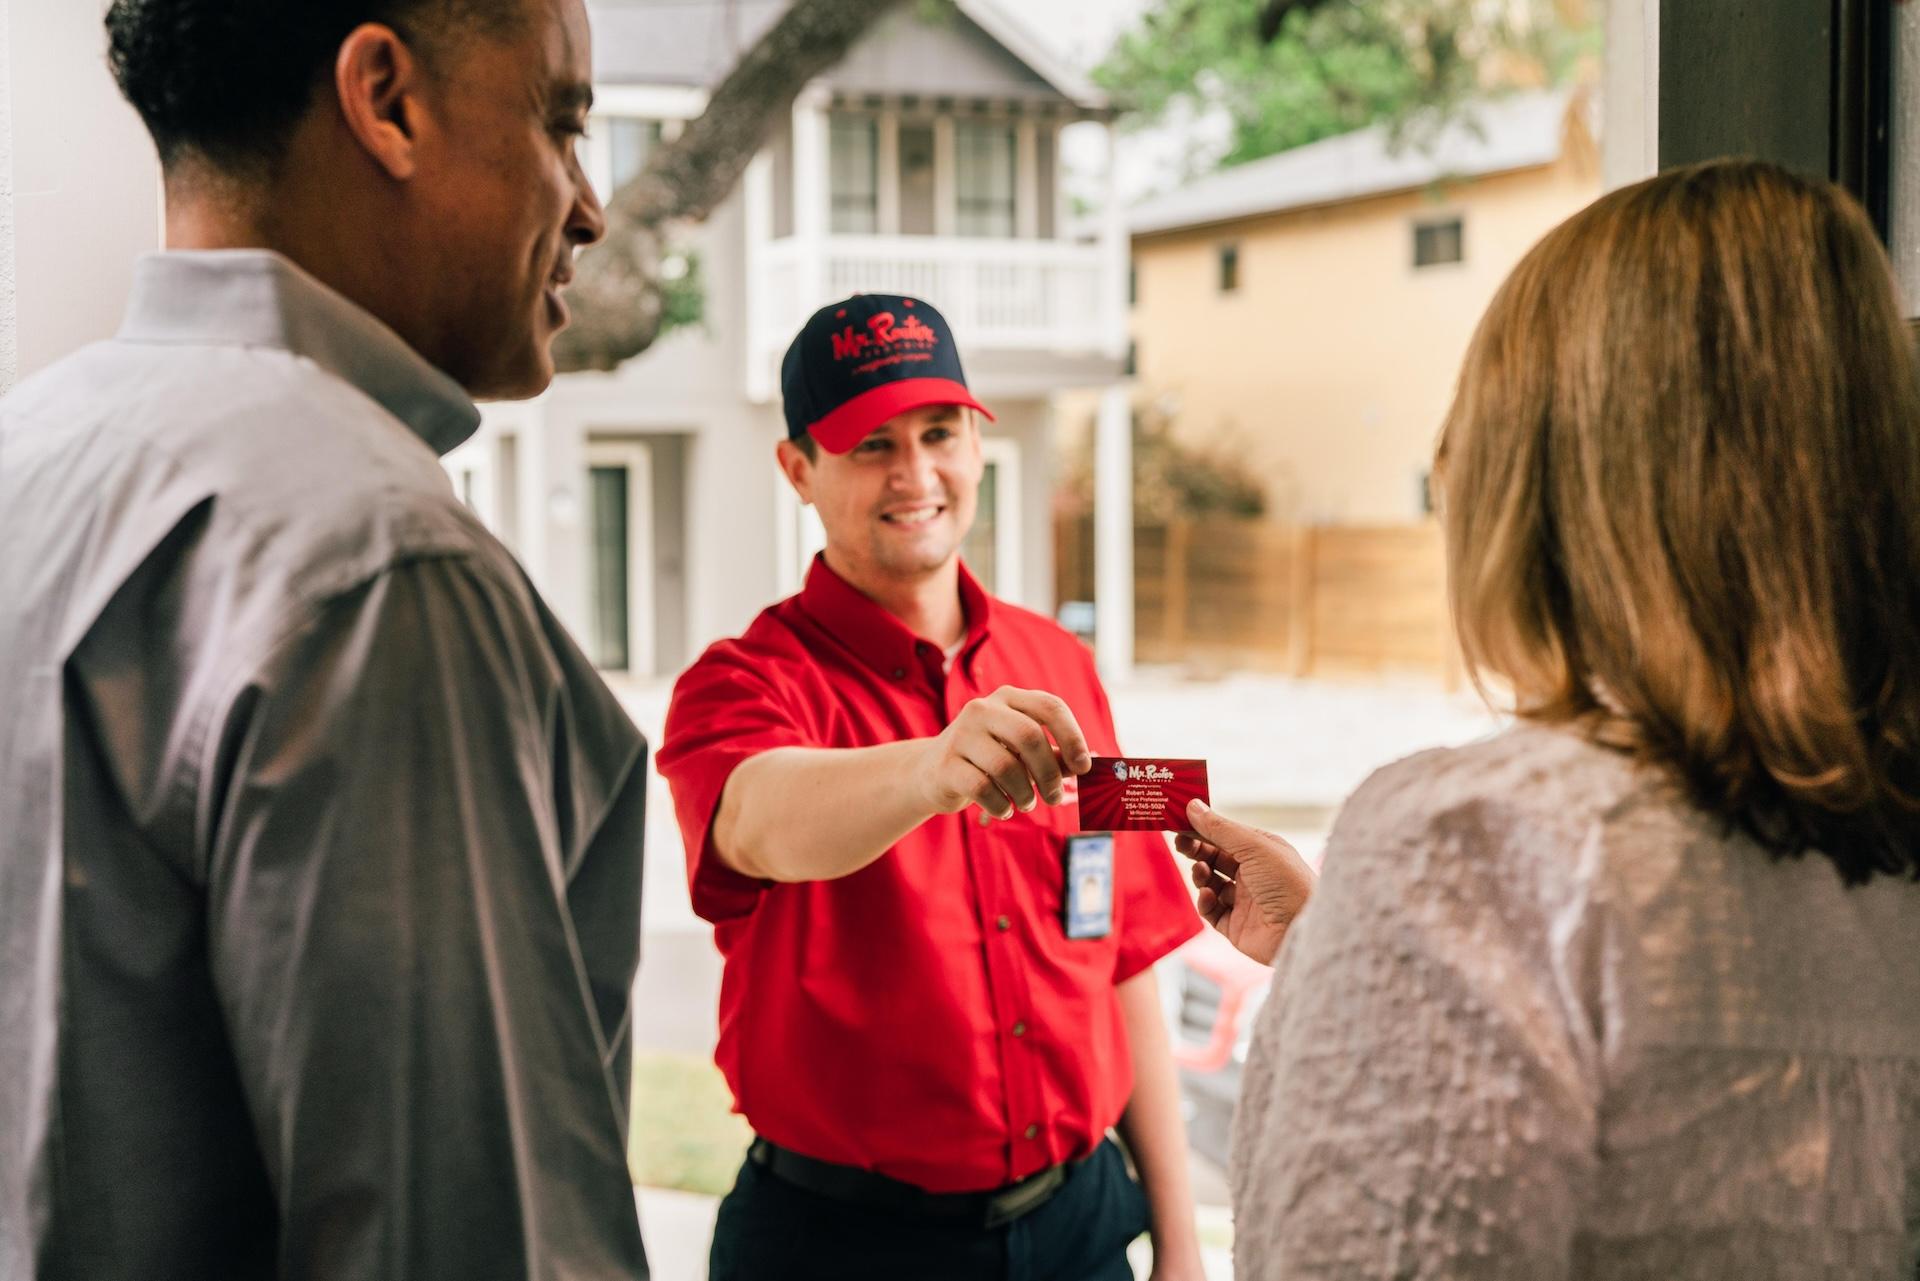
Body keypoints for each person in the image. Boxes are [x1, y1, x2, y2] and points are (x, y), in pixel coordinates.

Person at [1180, 159, 1920, 1278]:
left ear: (1545, 483)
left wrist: (1403, 933)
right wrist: (1346, 956)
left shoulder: (1481, 845)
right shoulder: (1881, 828)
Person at [0, 2, 649, 1278]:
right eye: (560, 125)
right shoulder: (377, 566)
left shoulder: (34, 450)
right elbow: (458, 1244)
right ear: (386, 101)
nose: (589, 208)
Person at [656, 293, 1206, 1281]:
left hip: (1082, 1229)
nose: (916, 475)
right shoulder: (741, 684)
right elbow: (756, 819)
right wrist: (927, 767)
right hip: (844, 1247)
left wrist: (1181, 1238)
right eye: (872, 444)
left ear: (977, 446)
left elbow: (1119, 951)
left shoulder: (1060, 666)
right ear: (799, 471)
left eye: (940, 432)